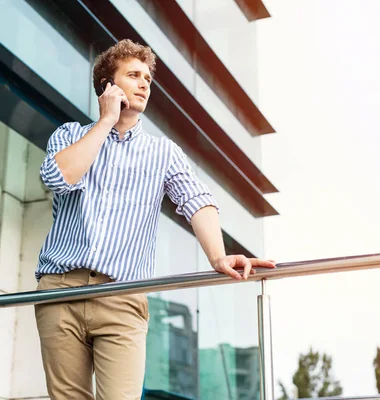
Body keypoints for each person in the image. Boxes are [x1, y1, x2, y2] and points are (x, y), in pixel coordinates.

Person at [34, 39, 276, 399]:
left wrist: (218, 256)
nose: (145, 83)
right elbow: (57, 177)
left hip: (122, 296)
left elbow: (197, 201)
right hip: (60, 291)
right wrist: (105, 122)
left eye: (148, 77)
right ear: (108, 86)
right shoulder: (69, 135)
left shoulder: (162, 153)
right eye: (133, 75)